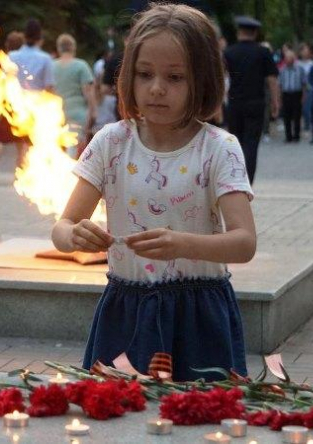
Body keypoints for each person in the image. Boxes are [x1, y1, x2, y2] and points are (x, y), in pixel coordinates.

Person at [52, 3, 255, 382]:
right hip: (124, 311)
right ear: (128, 75)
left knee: (199, 418)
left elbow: (244, 243)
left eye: (175, 77)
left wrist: (183, 244)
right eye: (145, 74)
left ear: (204, 80)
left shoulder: (219, 148)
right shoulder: (111, 142)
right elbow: (62, 226)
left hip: (198, 315)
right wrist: (74, 236)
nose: (157, 88)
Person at [223, 15, 279, 184]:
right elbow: (272, 79)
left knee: (235, 142)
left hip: (235, 103)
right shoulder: (263, 52)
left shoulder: (229, 52)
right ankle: (248, 183)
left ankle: (234, 179)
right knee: (251, 144)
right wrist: (275, 102)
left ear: (239, 32)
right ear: (255, 33)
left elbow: (221, 77)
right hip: (256, 102)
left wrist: (220, 101)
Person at [8, 19, 55, 167]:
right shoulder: (45, 58)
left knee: (20, 137)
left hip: (17, 101)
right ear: (40, 37)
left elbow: (7, 81)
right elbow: (49, 87)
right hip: (38, 102)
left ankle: (20, 163)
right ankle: (28, 168)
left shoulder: (12, 56)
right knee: (35, 139)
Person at [0, 30, 25, 185]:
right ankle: (19, 173)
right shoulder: (24, 61)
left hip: (3, 103)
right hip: (21, 104)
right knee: (21, 141)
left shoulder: (0, 61)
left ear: (7, 45)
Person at [53, 33, 96, 158]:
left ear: (58, 48)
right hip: (77, 115)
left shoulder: (51, 66)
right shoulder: (81, 66)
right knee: (72, 154)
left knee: (56, 153)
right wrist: (93, 112)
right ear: (73, 48)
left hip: (56, 115)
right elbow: (88, 92)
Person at [278, 49, 306, 142]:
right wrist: (279, 98)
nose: (288, 60)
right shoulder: (282, 70)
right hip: (286, 94)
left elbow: (304, 84)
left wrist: (303, 96)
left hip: (296, 94)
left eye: (290, 57)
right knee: (286, 116)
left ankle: (296, 136)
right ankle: (288, 136)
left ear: (294, 59)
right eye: (286, 58)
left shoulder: (300, 69)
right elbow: (280, 85)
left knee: (297, 116)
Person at [296, 43, 313, 132]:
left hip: (309, 88)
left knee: (308, 107)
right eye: (303, 51)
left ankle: (308, 125)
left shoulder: (312, 64)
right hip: (298, 88)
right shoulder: (297, 64)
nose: (305, 53)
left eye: (307, 51)